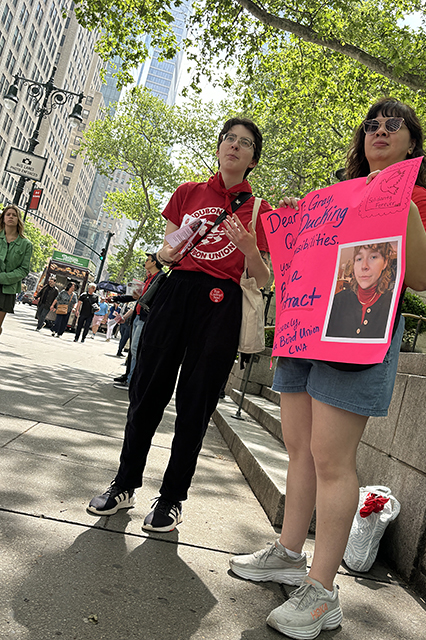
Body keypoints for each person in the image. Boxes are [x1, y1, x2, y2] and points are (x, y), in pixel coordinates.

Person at [229, 98, 426, 639]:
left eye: (393, 125)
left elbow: (423, 277)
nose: (380, 131)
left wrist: (405, 212)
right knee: (299, 448)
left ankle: (322, 592)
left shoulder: (418, 198)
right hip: (306, 330)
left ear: (412, 144)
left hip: (356, 336)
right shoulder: (337, 195)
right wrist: (293, 221)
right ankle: (288, 553)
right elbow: (299, 260)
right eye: (371, 125)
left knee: (331, 458)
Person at [88, 117, 271, 532]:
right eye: (229, 139)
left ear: (253, 159)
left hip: (221, 305)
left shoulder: (261, 210)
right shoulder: (188, 192)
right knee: (146, 393)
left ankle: (171, 499)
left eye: (244, 143)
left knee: (196, 404)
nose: (234, 146)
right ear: (219, 148)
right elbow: (166, 252)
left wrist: (249, 249)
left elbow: (262, 280)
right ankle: (124, 484)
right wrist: (171, 249)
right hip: (175, 296)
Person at [113, 253, 163, 390]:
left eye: (148, 260)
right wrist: (115, 299)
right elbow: (134, 297)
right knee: (133, 349)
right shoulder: (149, 278)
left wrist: (139, 298)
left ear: (154, 262)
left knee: (135, 348)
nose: (145, 262)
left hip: (145, 318)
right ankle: (129, 377)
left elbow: (155, 300)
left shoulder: (160, 278)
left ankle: (132, 381)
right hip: (137, 316)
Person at [326, 242, 396, 338]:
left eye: (373, 257)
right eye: (359, 259)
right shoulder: (337, 301)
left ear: (385, 262)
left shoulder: (392, 305)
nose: (364, 266)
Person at [0, 204, 33, 337]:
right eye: (8, 214)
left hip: (8, 289)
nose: (11, 217)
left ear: (18, 219)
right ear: (3, 218)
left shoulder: (26, 244)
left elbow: (24, 270)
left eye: (14, 215)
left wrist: (3, 278)